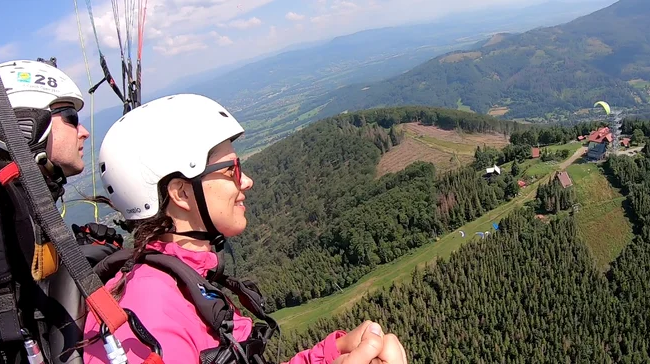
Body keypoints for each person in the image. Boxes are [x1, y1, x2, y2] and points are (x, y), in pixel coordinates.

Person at [82, 93, 407, 364]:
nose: (247, 181)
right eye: (232, 170)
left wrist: (328, 354)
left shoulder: (182, 286)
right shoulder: (148, 319)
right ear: (181, 193)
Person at [0, 59, 124, 364]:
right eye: (72, 118)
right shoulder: (2, 231)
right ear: (27, 126)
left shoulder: (16, 221)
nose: (85, 132)